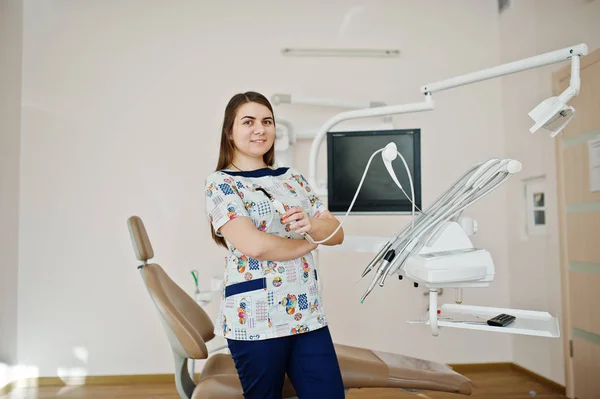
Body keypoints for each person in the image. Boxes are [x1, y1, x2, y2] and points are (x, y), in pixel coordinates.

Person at [204, 91, 346, 399]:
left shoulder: (291, 178)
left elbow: (336, 232)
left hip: (306, 314)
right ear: (230, 131)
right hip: (256, 319)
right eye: (249, 121)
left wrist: (312, 226)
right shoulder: (222, 184)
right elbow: (256, 246)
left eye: (267, 121)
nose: (260, 129)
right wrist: (311, 242)